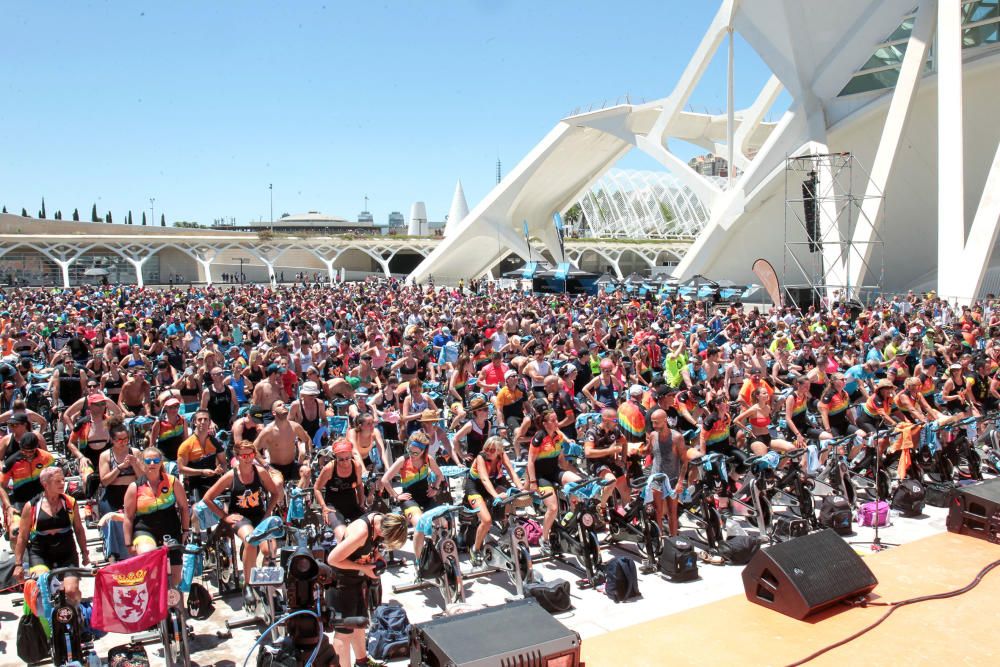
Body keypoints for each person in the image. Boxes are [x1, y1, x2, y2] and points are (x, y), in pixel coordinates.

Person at [202, 439, 283, 604]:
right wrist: (224, 516)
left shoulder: (260, 472)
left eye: (251, 454)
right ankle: (248, 584)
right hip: (240, 517)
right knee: (251, 539)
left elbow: (275, 493)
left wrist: (268, 513)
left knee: (270, 550)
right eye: (244, 455)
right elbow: (207, 498)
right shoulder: (231, 476)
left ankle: (266, 583)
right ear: (237, 457)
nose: (247, 458)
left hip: (259, 515)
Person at [326, 511, 408, 667]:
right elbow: (332, 559)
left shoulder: (380, 520)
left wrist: (376, 555)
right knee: (344, 633)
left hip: (356, 581)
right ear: (383, 529)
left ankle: (362, 662)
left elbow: (372, 545)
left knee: (360, 625)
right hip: (340, 584)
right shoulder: (362, 532)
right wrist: (363, 568)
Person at [13, 466, 90, 604]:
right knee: (43, 589)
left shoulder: (70, 503)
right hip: (40, 553)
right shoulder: (31, 507)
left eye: (63, 480)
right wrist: (18, 564)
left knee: (71, 591)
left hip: (66, 551)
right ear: (45, 484)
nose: (62, 484)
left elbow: (78, 529)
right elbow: (23, 537)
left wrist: (84, 552)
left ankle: (76, 615)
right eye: (57, 481)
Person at [122, 446, 191, 586]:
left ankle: (177, 606)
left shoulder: (172, 482)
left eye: (155, 460)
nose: (152, 464)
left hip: (171, 529)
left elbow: (184, 508)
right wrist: (128, 544)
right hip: (145, 530)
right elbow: (128, 517)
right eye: (148, 460)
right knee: (150, 556)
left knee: (176, 577)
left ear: (161, 462)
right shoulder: (134, 487)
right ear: (142, 463)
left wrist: (185, 531)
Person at [379, 431, 445, 561]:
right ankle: (419, 560)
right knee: (420, 525)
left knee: (442, 523)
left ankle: (435, 554)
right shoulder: (403, 460)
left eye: (416, 453)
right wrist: (396, 496)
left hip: (425, 496)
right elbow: (385, 480)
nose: (412, 455)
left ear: (423, 451)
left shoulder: (428, 459)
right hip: (409, 498)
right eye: (410, 451)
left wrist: (435, 488)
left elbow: (439, 475)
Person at [525, 408, 583, 555]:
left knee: (579, 482)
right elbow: (530, 462)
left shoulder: (558, 436)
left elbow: (562, 461)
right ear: (545, 423)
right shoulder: (538, 437)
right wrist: (532, 482)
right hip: (540, 476)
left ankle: (571, 512)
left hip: (554, 471)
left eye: (557, 419)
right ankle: (544, 539)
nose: (557, 422)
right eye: (553, 420)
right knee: (552, 508)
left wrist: (575, 472)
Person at [464, 435, 522, 565]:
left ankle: (506, 528)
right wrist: (496, 496)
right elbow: (484, 478)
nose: (488, 452)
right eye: (487, 449)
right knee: (486, 520)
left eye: (492, 450)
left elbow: (511, 472)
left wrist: (521, 489)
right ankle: (476, 549)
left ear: (499, 451)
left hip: (491, 484)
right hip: (475, 487)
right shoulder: (481, 457)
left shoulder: (502, 455)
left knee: (511, 497)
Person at [0, 432, 58, 535]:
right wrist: (8, 506)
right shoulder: (11, 461)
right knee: (16, 534)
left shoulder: (47, 457)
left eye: (31, 451)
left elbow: (56, 478)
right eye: (24, 451)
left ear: (36, 447)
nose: (27, 454)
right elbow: (1, 486)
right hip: (20, 501)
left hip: (43, 500)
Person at [643, 408, 688, 535]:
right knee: (657, 511)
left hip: (672, 480)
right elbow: (648, 450)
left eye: (656, 422)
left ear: (665, 420)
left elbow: (685, 461)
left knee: (672, 513)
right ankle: (660, 539)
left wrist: (680, 482)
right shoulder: (653, 435)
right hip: (656, 478)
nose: (654, 425)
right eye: (652, 422)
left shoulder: (677, 438)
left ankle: (673, 540)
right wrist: (637, 450)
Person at [314, 439, 365, 542]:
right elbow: (317, 488)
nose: (345, 462)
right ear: (335, 457)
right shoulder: (329, 468)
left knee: (364, 531)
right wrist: (323, 508)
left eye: (347, 458)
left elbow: (359, 485)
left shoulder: (356, 466)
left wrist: (361, 503)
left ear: (351, 455)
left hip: (352, 505)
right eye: (341, 459)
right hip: (333, 507)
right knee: (342, 536)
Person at [254, 399, 311, 483]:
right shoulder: (268, 431)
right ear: (274, 413)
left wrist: (307, 457)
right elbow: (253, 448)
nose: (283, 406)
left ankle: (297, 493)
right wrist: (265, 465)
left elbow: (307, 439)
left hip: (292, 465)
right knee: (279, 483)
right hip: (275, 467)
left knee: (307, 471)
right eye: (279, 405)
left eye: (284, 404)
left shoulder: (295, 427)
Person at [177, 409, 226, 502]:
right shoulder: (186, 445)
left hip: (214, 482)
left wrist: (220, 469)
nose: (202, 422)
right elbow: (181, 469)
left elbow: (223, 463)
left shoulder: (215, 442)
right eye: (200, 419)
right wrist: (202, 472)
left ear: (209, 422)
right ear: (195, 422)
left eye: (205, 419)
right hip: (196, 484)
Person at [148, 396, 189, 462]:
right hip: (165, 458)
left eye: (176, 406)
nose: (174, 409)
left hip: (180, 455)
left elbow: (186, 439)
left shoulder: (183, 420)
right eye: (170, 407)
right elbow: (152, 444)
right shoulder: (159, 422)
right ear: (165, 408)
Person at [201, 366, 237, 432]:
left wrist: (234, 416)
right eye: (218, 374)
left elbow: (236, 405)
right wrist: (210, 422)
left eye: (222, 373)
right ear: (212, 376)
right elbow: (203, 411)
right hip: (214, 425)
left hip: (228, 423)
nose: (221, 375)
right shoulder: (207, 392)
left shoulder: (230, 389)